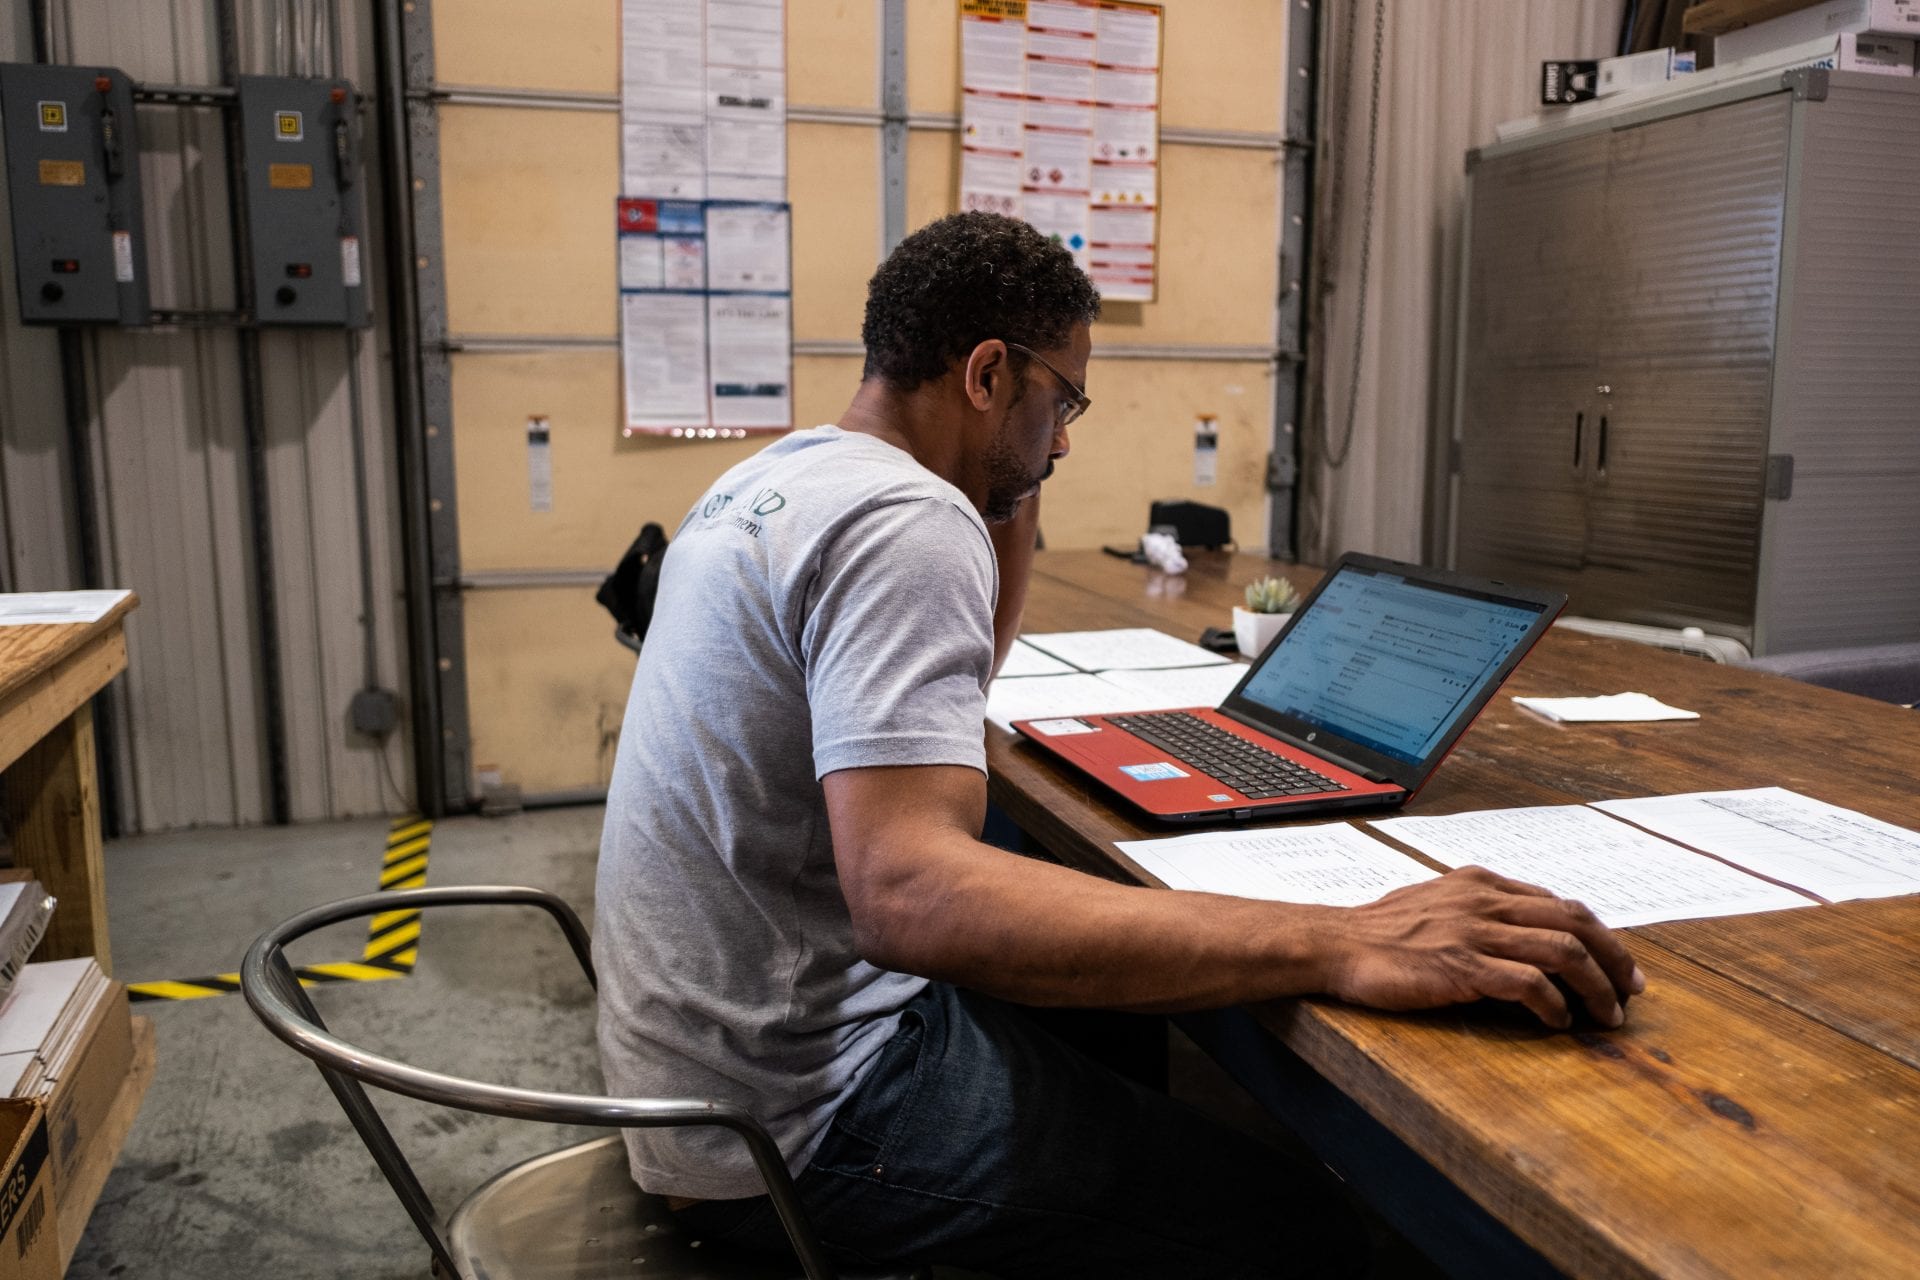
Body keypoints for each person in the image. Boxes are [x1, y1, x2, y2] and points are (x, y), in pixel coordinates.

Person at [594, 211, 1642, 1278]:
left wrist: (1007, 473)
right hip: (800, 1122)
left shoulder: (788, 479)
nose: (1065, 440)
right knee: (1305, 1228)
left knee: (1112, 1040)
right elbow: (910, 893)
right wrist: (1339, 936)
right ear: (988, 372)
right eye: (1066, 400)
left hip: (697, 1074)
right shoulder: (904, 522)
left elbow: (969, 673)